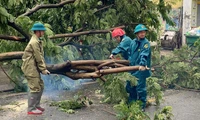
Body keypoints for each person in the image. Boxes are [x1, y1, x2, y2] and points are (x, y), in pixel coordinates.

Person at [21, 22, 50, 115]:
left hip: (33, 67)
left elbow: (40, 56)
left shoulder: (37, 40)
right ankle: (31, 109)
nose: (44, 32)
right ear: (38, 31)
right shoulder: (34, 42)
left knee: (40, 86)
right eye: (43, 31)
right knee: (35, 88)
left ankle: (36, 105)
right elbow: (38, 56)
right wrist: (43, 69)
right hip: (30, 68)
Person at [126, 24, 151, 111]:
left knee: (140, 88)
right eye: (140, 32)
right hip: (132, 68)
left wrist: (142, 64)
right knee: (130, 86)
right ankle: (132, 103)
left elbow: (144, 54)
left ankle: (141, 105)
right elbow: (129, 53)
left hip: (140, 69)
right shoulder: (133, 42)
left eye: (143, 32)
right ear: (137, 33)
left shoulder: (146, 43)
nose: (142, 34)